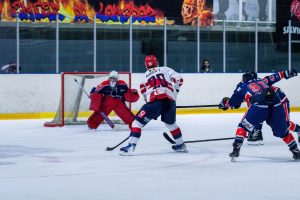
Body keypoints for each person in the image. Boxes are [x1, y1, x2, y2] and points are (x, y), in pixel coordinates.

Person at [219, 69, 300, 161]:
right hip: (276, 103)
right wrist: (287, 73)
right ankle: (296, 151)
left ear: (244, 78)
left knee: (243, 126)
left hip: (259, 105)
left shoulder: (241, 87)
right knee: (283, 132)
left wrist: (224, 104)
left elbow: (231, 103)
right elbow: (276, 76)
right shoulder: (262, 81)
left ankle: (236, 149)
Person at [119, 55, 187, 155]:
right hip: (170, 101)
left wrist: (153, 110)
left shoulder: (144, 76)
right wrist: (174, 93)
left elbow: (144, 92)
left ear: (146, 65)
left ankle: (131, 145)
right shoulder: (165, 69)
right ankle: (180, 144)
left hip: (155, 101)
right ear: (157, 62)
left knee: (137, 123)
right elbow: (179, 80)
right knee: (171, 124)